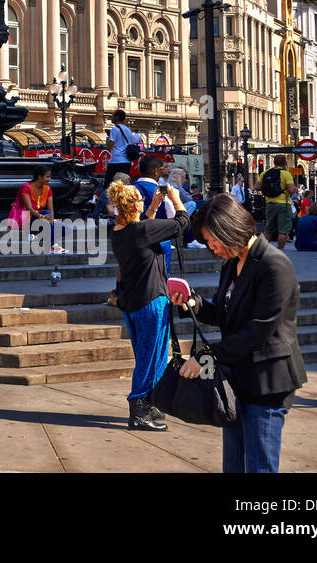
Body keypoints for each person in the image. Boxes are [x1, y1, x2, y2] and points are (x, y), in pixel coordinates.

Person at [171, 193, 306, 474]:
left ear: (230, 229)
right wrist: (192, 303)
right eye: (209, 243)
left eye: (214, 241)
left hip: (267, 382)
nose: (213, 248)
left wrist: (207, 356)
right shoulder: (232, 263)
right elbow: (223, 313)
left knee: (259, 467)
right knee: (233, 465)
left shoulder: (274, 265)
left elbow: (259, 330)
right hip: (238, 379)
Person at [110, 180, 189, 431]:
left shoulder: (120, 231)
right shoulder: (143, 231)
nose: (144, 204)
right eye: (141, 201)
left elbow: (143, 228)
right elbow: (182, 224)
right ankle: (139, 408)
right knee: (150, 356)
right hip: (151, 301)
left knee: (151, 354)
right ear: (134, 206)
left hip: (133, 302)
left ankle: (151, 401)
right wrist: (176, 200)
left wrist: (153, 208)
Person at [10, 165, 55, 248]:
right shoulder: (26, 188)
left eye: (50, 177)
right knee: (47, 215)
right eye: (47, 177)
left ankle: (38, 236)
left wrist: (51, 219)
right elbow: (29, 208)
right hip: (26, 220)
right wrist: (43, 216)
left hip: (40, 220)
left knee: (66, 229)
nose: (49, 179)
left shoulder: (48, 189)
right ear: (40, 177)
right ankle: (52, 245)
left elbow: (51, 209)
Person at [260, 154, 296, 251]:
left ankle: (264, 250)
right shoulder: (286, 173)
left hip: (270, 203)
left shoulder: (265, 173)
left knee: (269, 229)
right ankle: (280, 250)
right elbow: (291, 190)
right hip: (283, 204)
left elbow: (257, 187)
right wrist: (294, 189)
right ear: (285, 163)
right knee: (283, 230)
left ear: (274, 162)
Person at [105, 110, 143, 186]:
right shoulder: (128, 130)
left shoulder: (114, 129)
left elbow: (110, 146)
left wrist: (108, 138)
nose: (111, 117)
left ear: (117, 117)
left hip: (116, 161)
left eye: (113, 116)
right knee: (124, 185)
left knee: (109, 185)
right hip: (126, 162)